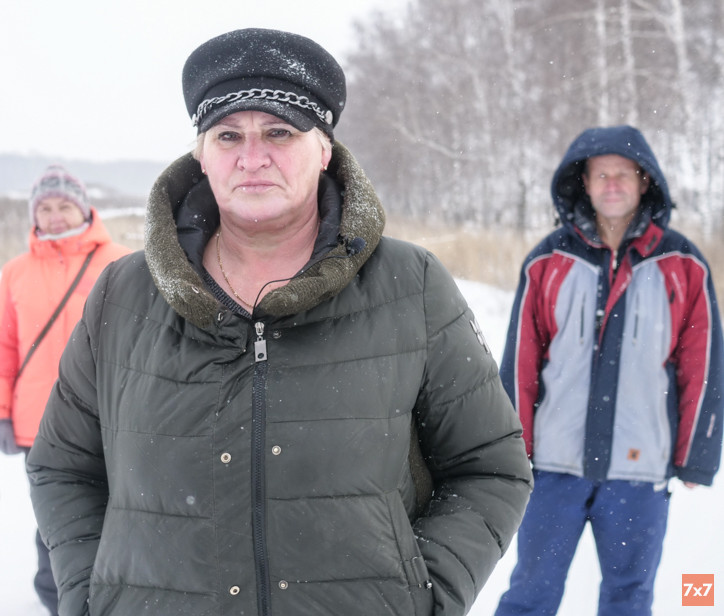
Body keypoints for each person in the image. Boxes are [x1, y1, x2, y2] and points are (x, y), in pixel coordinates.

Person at [26, 28, 532, 616]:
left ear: (324, 150)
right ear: (201, 155)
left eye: (279, 132)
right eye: (228, 135)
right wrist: (94, 597)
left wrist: (422, 598)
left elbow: (489, 467)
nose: (252, 157)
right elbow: (63, 468)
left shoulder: (409, 285)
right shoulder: (123, 295)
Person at [495, 125, 724, 616]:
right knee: (530, 594)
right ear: (585, 183)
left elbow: (702, 366)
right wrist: (512, 448)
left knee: (629, 599)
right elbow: (520, 364)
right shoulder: (548, 260)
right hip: (554, 467)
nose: (613, 184)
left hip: (638, 472)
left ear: (644, 181)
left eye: (624, 174)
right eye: (602, 175)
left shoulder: (683, 264)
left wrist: (697, 454)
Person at [0, 164, 131, 615]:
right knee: (57, 516)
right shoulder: (16, 271)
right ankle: (57, 599)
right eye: (44, 208)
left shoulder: (122, 262)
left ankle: (120, 594)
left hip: (111, 415)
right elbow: (3, 343)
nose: (54, 216)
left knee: (121, 511)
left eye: (64, 205)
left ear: (84, 208)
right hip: (39, 420)